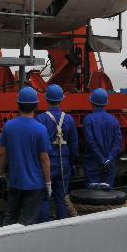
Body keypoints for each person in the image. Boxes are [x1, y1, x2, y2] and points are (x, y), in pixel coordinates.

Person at [0, 86, 52, 226]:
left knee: (10, 218)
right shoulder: (41, 129)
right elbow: (44, 159)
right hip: (35, 184)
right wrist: (48, 183)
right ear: (36, 105)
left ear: (18, 104)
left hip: (15, 182)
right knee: (29, 221)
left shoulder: (8, 126)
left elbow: (2, 153)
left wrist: (1, 175)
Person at [37, 83, 79, 222]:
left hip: (46, 165)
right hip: (64, 164)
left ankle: (43, 227)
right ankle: (63, 227)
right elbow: (74, 145)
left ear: (46, 99)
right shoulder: (69, 119)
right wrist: (73, 164)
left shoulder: (41, 119)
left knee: (44, 198)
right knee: (62, 198)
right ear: (61, 99)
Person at [82, 88, 122, 188]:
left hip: (93, 163)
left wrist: (101, 159)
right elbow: (117, 143)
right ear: (106, 103)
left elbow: (90, 142)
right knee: (109, 197)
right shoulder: (114, 120)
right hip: (109, 164)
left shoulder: (88, 119)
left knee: (93, 196)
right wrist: (109, 159)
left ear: (91, 102)